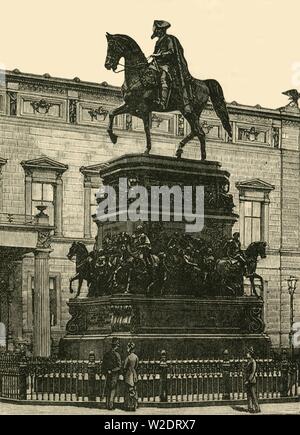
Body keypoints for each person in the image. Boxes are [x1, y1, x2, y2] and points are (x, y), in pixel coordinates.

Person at [149, 20, 193, 112]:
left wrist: (159, 55)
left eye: (157, 30)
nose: (155, 32)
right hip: (157, 64)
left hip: (167, 65)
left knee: (163, 78)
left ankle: (163, 102)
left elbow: (171, 52)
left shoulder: (168, 39)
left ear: (161, 30)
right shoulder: (158, 42)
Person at [102, 337, 122, 410]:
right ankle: (110, 404)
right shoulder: (117, 355)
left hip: (108, 374)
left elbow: (103, 365)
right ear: (116, 346)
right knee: (112, 388)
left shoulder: (107, 354)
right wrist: (113, 371)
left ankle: (108, 404)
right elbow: (119, 366)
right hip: (114, 374)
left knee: (108, 389)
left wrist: (107, 371)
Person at [123, 342, 139, 411]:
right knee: (133, 389)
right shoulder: (136, 357)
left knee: (128, 390)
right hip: (134, 373)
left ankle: (129, 405)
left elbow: (124, 366)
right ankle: (134, 405)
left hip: (129, 374)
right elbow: (136, 365)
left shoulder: (128, 357)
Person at [244, 349, 261, 413]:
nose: (246, 354)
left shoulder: (253, 362)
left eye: (247, 353)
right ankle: (250, 408)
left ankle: (257, 408)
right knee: (249, 395)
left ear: (250, 354)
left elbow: (253, 372)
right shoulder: (248, 361)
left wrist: (248, 380)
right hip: (248, 380)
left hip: (251, 380)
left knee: (253, 395)